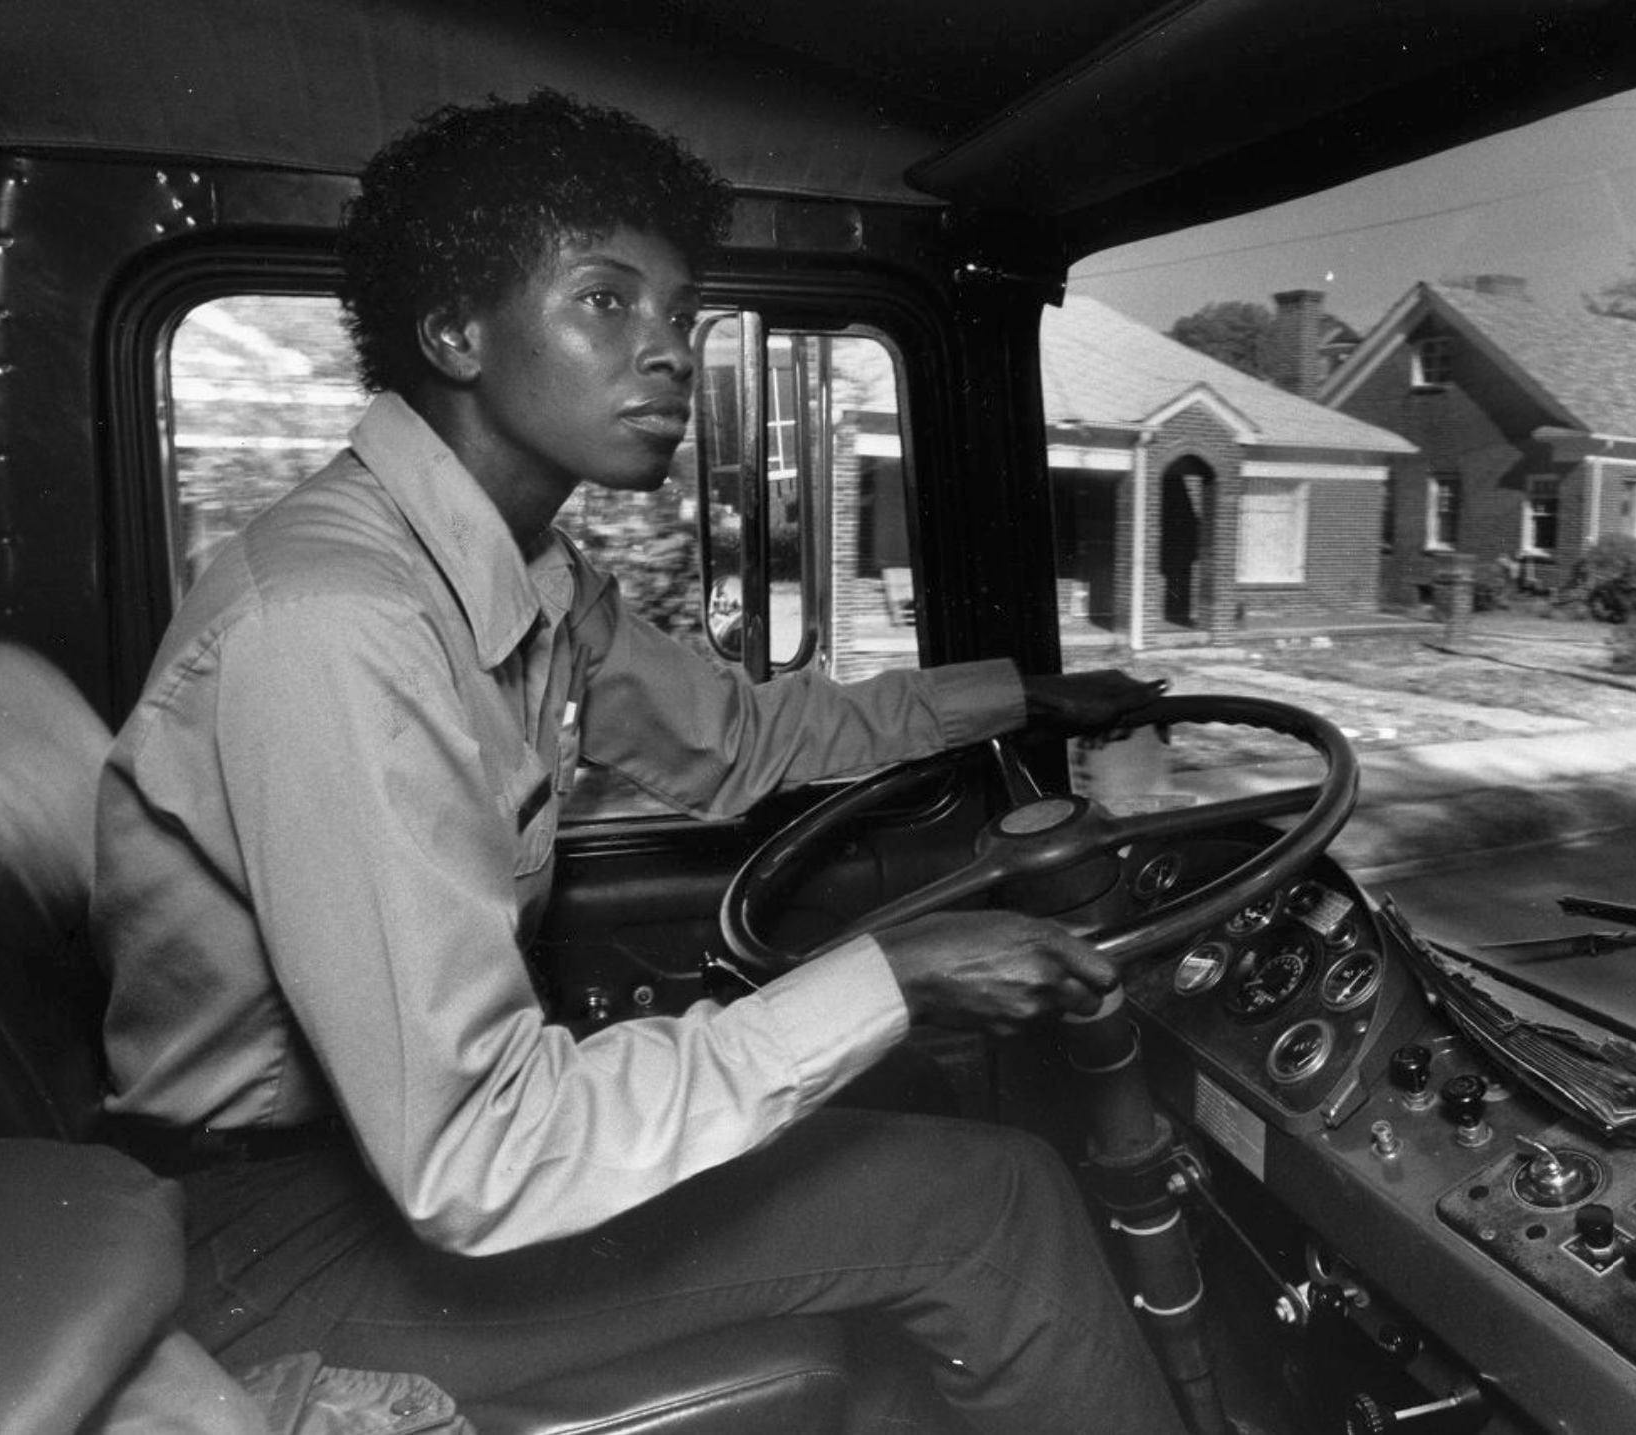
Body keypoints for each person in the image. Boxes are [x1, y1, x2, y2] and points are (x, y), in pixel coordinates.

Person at [91, 90, 1184, 1434]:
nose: (667, 353)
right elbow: (472, 1155)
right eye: (607, 303)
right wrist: (888, 975)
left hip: (344, 1181)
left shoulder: (523, 575)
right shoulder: (337, 624)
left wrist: (1015, 695)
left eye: (679, 314)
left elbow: (741, 740)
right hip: (266, 1236)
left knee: (917, 1124)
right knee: (994, 1205)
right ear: (453, 332)